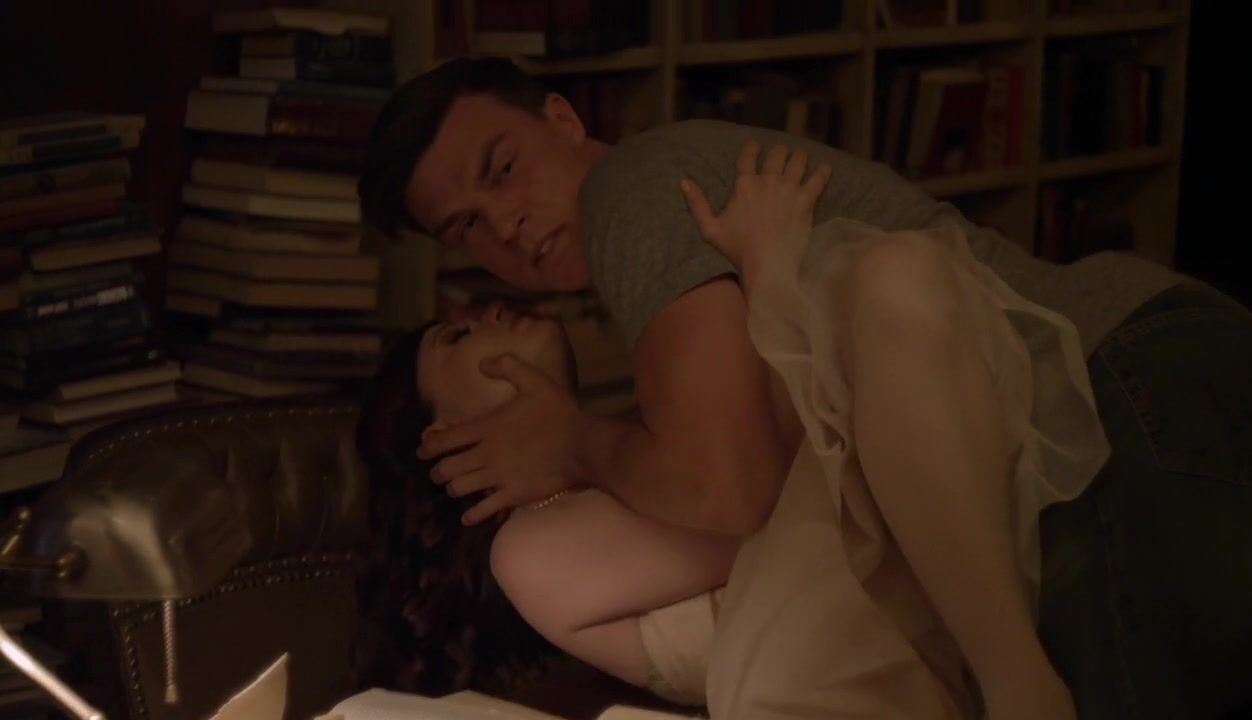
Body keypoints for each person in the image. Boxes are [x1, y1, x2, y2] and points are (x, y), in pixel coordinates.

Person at [358, 57, 1252, 718]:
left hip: (1109, 375)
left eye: (503, 169)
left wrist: (575, 439)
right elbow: (793, 479)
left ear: (561, 118)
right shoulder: (577, 501)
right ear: (440, 441)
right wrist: (772, 281)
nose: (506, 224)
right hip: (1106, 389)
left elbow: (736, 485)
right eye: (466, 226)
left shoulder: (625, 194)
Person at [351, 306, 736, 705]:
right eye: (459, 336)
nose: (493, 311)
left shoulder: (642, 438)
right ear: (443, 436)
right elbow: (750, 512)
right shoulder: (528, 554)